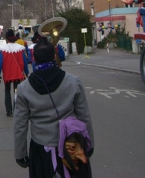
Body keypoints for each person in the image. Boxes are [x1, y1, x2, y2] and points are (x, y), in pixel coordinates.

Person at [14, 37, 94, 178]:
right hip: (72, 146)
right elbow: (84, 116)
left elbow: (20, 125)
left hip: (41, 150)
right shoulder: (73, 82)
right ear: (54, 56)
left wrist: (20, 154)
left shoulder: (23, 89)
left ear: (34, 58)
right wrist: (89, 144)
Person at [0, 28, 29, 116]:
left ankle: (8, 110)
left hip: (7, 73)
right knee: (16, 91)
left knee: (7, 90)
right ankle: (16, 108)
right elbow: (24, 61)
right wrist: (26, 71)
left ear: (7, 39)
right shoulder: (20, 49)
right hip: (18, 73)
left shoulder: (3, 49)